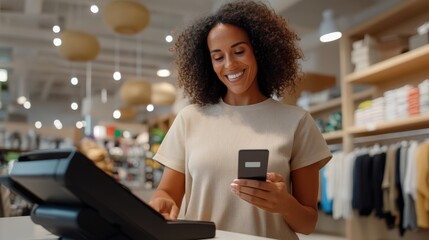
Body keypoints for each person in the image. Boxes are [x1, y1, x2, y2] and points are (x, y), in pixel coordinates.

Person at [149, 1, 332, 239]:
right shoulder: (189, 119)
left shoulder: (298, 122)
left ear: (260, 50)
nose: (229, 64)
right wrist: (160, 203)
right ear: (208, 63)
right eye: (217, 57)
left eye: (239, 51)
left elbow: (308, 223)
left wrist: (284, 203)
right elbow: (167, 193)